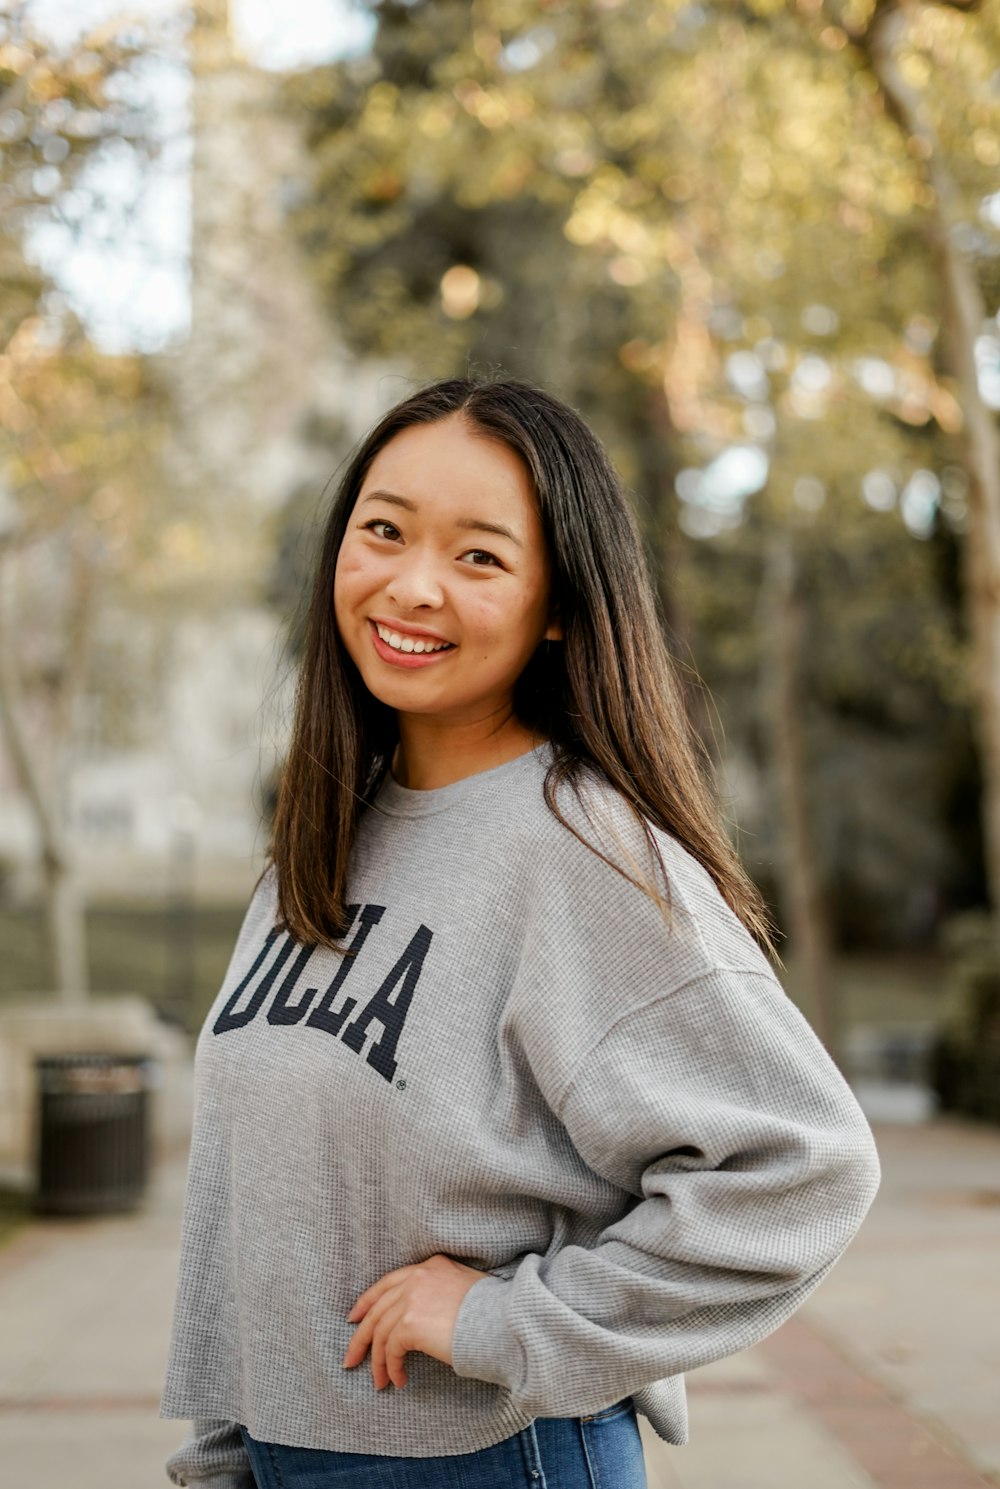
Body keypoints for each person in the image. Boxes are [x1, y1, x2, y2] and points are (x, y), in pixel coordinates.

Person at [160, 377, 880, 1489]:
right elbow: (257, 1184)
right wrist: (223, 1449)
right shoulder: (323, 840)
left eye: (479, 557)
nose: (411, 585)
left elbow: (800, 1162)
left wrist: (506, 1322)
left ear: (556, 604)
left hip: (487, 1454)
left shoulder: (578, 846)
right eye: (384, 531)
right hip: (290, 1457)